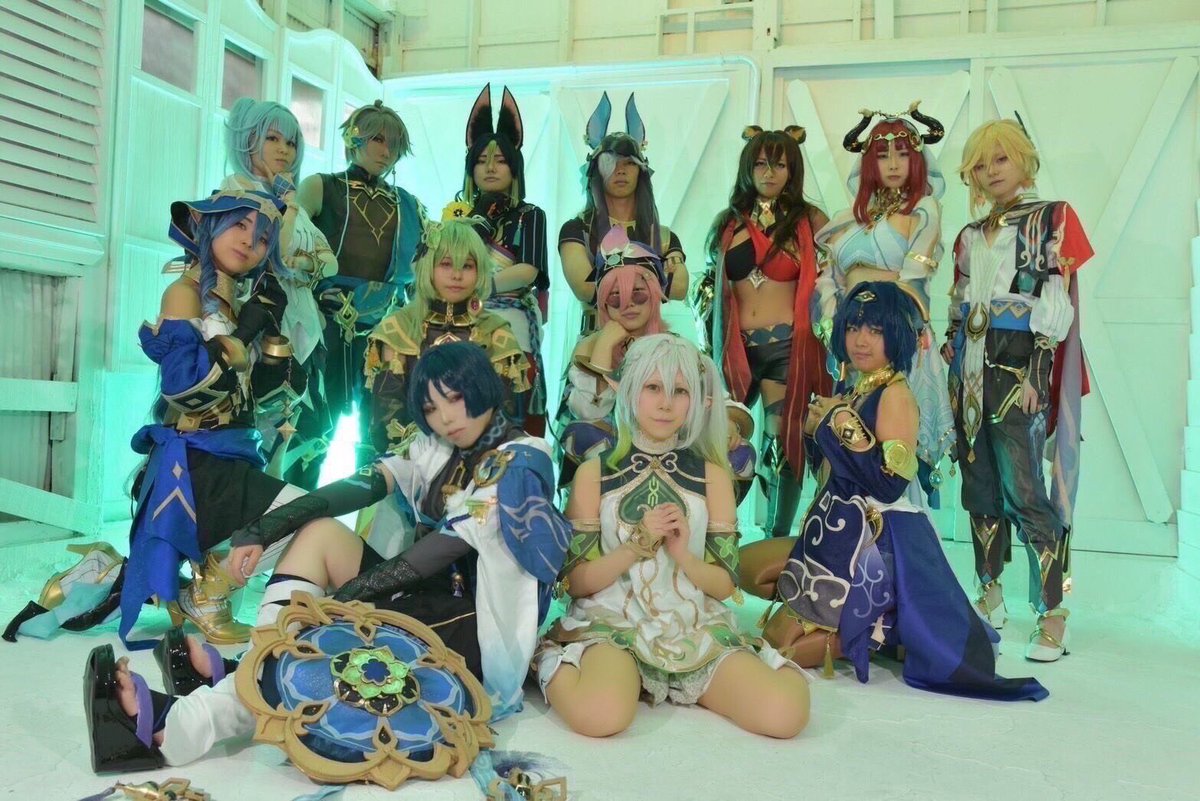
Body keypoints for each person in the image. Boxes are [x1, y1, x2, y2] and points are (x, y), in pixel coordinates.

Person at [81, 343, 570, 777]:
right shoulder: (438, 447)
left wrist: (343, 600)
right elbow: (361, 486)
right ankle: (256, 666)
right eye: (431, 407)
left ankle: (187, 723)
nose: (446, 417)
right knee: (317, 534)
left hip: (474, 630)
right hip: (428, 598)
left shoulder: (523, 457)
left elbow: (440, 550)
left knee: (330, 630)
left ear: (483, 386)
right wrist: (266, 528)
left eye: (456, 398)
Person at [740, 282, 1048, 701]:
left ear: (897, 336)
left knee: (777, 649)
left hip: (872, 541)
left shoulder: (896, 395)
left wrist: (839, 422)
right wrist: (816, 431)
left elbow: (888, 484)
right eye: (854, 327)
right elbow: (833, 470)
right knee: (746, 569)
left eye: (876, 330)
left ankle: (876, 629)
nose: (861, 340)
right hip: (831, 534)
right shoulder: (857, 387)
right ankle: (876, 627)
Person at [538, 334, 809, 739]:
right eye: (653, 387)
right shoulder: (593, 474)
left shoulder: (714, 476)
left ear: (697, 400)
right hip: (611, 621)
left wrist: (684, 555)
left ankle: (680, 678)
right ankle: (548, 662)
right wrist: (635, 546)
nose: (666, 403)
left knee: (784, 714)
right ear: (628, 390)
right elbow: (576, 584)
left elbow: (724, 585)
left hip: (694, 623)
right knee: (601, 716)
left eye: (680, 391)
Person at [120, 190, 309, 647]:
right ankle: (205, 593)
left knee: (306, 519)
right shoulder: (183, 294)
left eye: (262, 238)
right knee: (304, 518)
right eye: (239, 226)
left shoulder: (236, 303)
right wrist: (244, 333)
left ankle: (206, 587)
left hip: (233, 455)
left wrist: (272, 341)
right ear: (209, 227)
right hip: (196, 466)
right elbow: (185, 391)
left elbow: (266, 398)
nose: (249, 242)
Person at [943, 119, 1092, 662]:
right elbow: (959, 305)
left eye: (1001, 159)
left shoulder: (1051, 218)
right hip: (969, 371)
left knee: (1027, 493)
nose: (991, 172)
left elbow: (1056, 302)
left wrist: (1039, 373)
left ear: (1024, 160)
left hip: (1017, 370)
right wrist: (950, 358)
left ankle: (1054, 613)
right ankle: (989, 594)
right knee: (978, 487)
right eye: (981, 164)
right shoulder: (969, 235)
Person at [814, 103, 955, 504]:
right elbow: (827, 279)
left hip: (895, 338)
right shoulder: (847, 218)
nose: (893, 164)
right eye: (883, 155)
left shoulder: (923, 211)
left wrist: (886, 331)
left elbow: (915, 280)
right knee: (846, 436)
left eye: (902, 154)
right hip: (851, 343)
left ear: (917, 160)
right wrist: (836, 327)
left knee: (893, 443)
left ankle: (901, 527)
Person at [699, 126, 831, 538]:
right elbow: (711, 287)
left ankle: (778, 539)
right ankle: (719, 532)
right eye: (760, 164)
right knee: (719, 440)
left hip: (785, 348)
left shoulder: (810, 221)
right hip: (733, 350)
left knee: (782, 442)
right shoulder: (727, 223)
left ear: (793, 170)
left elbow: (835, 278)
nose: (769, 173)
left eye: (779, 165)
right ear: (748, 167)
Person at [297, 100, 426, 479]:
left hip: (387, 331)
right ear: (354, 138)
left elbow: (421, 275)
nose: (386, 151)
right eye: (377, 139)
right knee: (313, 426)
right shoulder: (321, 187)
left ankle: (372, 513)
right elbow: (288, 247)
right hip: (325, 324)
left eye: (394, 145)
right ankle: (294, 509)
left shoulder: (409, 205)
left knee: (382, 430)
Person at [221, 97, 337, 476]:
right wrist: (299, 254)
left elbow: (329, 261)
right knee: (253, 425)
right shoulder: (237, 191)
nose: (283, 150)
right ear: (249, 140)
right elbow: (282, 252)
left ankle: (277, 502)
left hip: (300, 322)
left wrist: (302, 261)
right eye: (272, 139)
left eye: (290, 143)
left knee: (287, 432)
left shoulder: (291, 201)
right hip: (255, 319)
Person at [364, 219, 530, 456]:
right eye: (446, 264)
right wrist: (422, 458)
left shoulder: (495, 331)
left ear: (480, 271)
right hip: (410, 459)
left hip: (480, 461)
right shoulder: (397, 328)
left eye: (467, 266)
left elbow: (504, 414)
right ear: (428, 267)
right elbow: (387, 417)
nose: (456, 275)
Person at [448, 83, 550, 434]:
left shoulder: (530, 215)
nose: (490, 168)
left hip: (512, 326)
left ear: (515, 168)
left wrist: (478, 286)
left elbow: (527, 271)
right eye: (481, 161)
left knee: (511, 413)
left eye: (501, 161)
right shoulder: (455, 218)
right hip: (460, 325)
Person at [559, 92, 688, 336]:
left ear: (641, 171)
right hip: (596, 343)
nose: (620, 170)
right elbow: (585, 288)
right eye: (611, 162)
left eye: (629, 163)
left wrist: (611, 278)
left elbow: (680, 287)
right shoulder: (577, 230)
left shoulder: (663, 235)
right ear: (596, 171)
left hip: (649, 343)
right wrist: (653, 276)